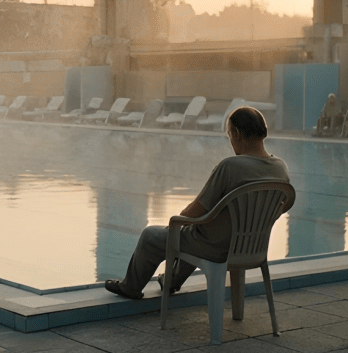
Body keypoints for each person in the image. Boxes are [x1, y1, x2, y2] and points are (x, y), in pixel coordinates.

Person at [104, 106, 290, 300]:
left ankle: (130, 287)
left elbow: (196, 210)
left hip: (216, 249)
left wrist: (173, 224)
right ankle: (172, 280)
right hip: (252, 248)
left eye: (229, 135)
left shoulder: (231, 167)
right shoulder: (280, 168)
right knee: (199, 231)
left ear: (236, 133)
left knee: (154, 235)